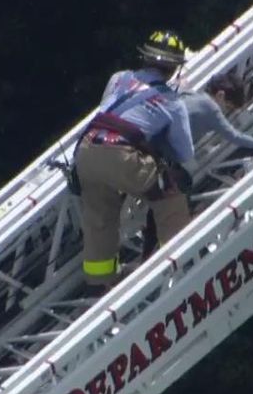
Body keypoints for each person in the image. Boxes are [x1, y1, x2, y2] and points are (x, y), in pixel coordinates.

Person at [74, 30, 196, 288]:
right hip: (121, 155)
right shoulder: (172, 101)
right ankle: (179, 261)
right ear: (174, 67)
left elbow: (110, 113)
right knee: (170, 193)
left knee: (100, 214)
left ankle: (100, 279)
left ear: (144, 57)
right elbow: (185, 155)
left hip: (85, 152)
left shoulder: (119, 78)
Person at [141, 72, 253, 255]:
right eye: (228, 107)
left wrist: (179, 85)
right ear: (221, 95)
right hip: (160, 157)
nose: (225, 112)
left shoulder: (192, 95)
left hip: (149, 147)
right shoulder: (211, 109)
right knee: (180, 187)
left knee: (169, 192)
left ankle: (152, 239)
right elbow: (235, 137)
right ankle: (160, 245)